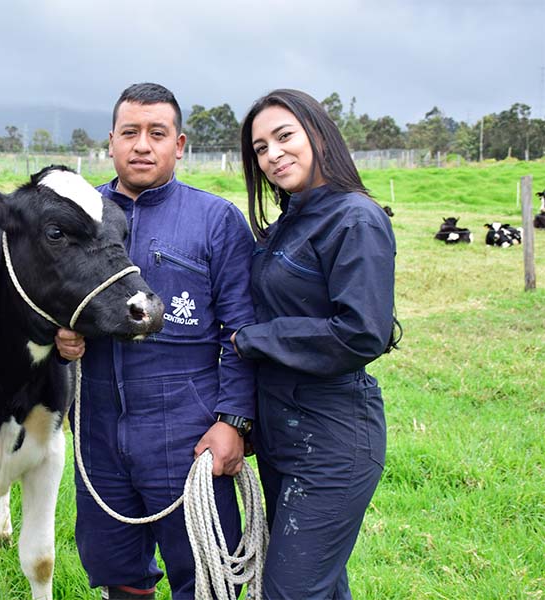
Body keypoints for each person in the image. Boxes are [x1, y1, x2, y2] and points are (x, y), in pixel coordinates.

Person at [55, 82, 257, 599]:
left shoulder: (217, 220)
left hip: (186, 427)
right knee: (112, 562)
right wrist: (59, 335)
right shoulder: (77, 216)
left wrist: (232, 421)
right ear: (111, 142)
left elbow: (240, 333)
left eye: (157, 133)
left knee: (205, 568)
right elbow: (45, 301)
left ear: (180, 144)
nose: (142, 145)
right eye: (130, 133)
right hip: (96, 419)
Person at [232, 89, 396, 599]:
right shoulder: (289, 222)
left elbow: (362, 331)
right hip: (283, 434)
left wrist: (254, 339)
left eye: (284, 137)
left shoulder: (355, 218)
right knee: (317, 588)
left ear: (318, 135)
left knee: (289, 592)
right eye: (260, 148)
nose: (273, 155)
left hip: (332, 438)